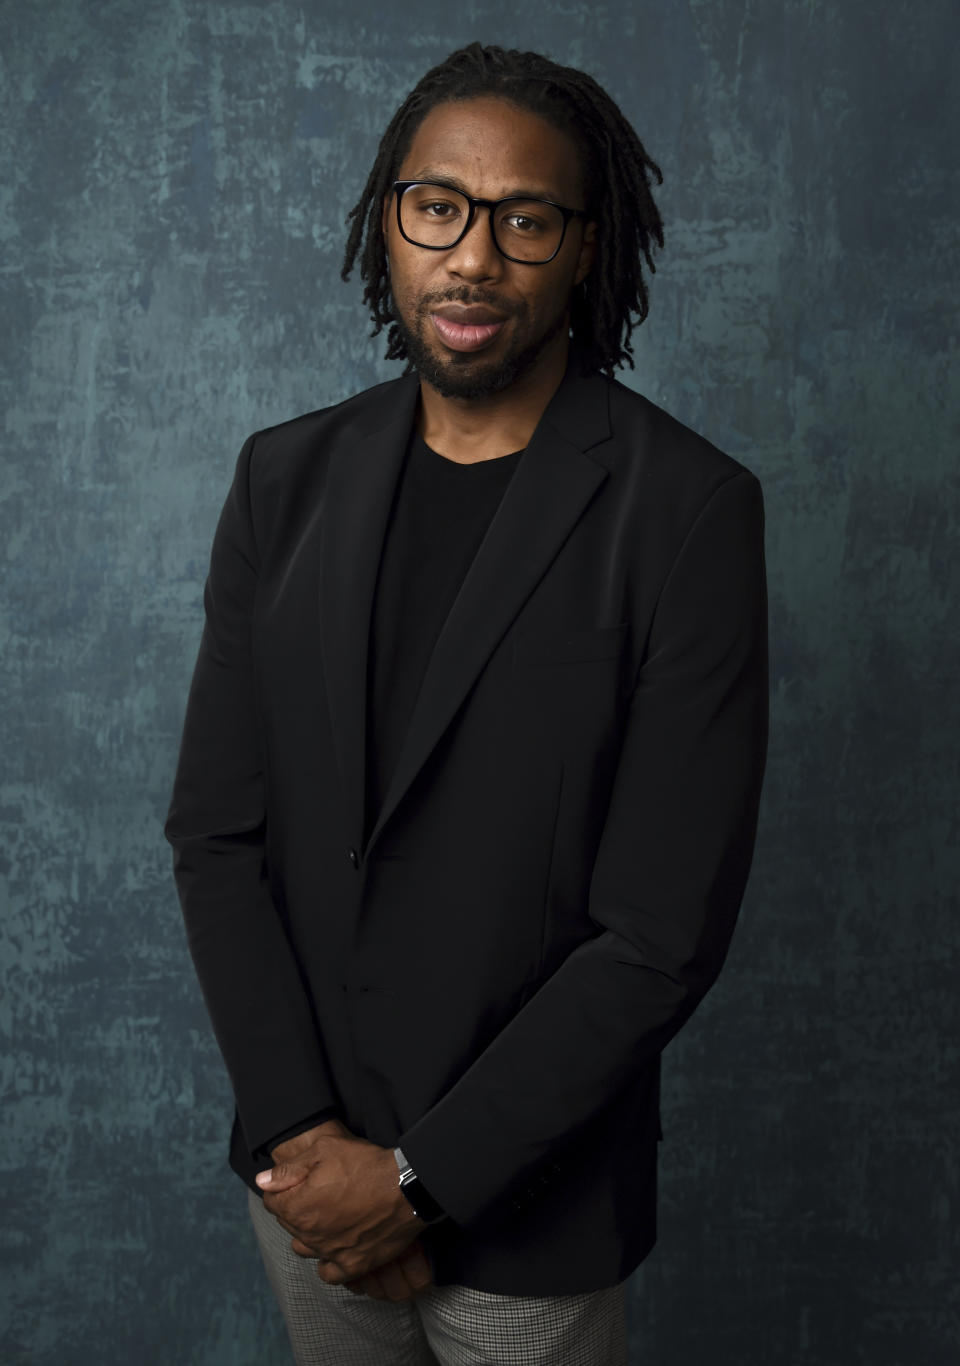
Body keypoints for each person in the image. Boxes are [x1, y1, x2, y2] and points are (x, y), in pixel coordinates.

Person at [165, 40, 769, 1366]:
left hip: (527, 1221)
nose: (474, 257)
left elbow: (658, 931)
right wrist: (308, 1143)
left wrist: (419, 1179)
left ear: (586, 248)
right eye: (438, 206)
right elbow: (217, 832)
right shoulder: (283, 480)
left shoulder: (686, 514)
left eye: (526, 219)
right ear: (388, 218)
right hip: (307, 1190)